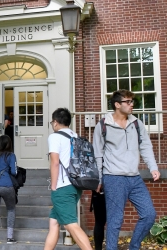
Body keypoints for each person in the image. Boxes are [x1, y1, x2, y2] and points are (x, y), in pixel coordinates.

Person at [93, 89, 160, 250]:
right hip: (113, 177)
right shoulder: (103, 125)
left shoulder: (136, 123)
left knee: (149, 214)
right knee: (115, 220)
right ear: (117, 104)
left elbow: (145, 146)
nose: (132, 105)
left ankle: (134, 246)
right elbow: (98, 154)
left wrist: (153, 167)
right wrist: (99, 179)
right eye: (128, 102)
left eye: (132, 102)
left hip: (134, 177)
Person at [44, 108, 92, 250]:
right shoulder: (75, 136)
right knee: (54, 223)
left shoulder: (55, 136)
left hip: (62, 187)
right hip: (75, 186)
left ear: (56, 122)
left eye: (52, 122)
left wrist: (53, 186)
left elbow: (55, 162)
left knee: (71, 224)